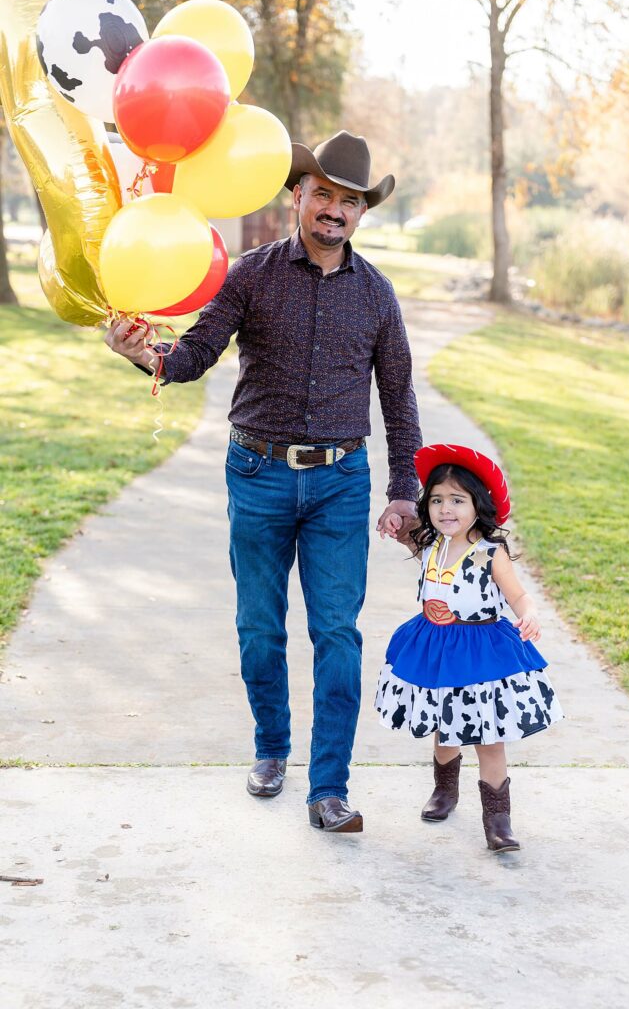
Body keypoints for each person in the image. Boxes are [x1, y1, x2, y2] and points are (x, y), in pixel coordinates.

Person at [104, 131, 422, 834]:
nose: (334, 211)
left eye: (349, 202)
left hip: (341, 481)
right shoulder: (249, 274)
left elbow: (398, 399)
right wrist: (144, 355)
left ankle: (329, 787)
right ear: (297, 196)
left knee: (337, 632)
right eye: (323, 196)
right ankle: (271, 750)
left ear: (362, 214)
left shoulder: (376, 295)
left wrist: (404, 491)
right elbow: (192, 356)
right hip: (257, 475)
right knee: (258, 627)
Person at [374, 443, 563, 851]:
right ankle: (445, 791)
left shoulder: (488, 554)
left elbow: (518, 596)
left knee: (488, 734)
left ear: (479, 505)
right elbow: (403, 532)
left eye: (457, 500)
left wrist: (530, 614)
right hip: (435, 646)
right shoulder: (430, 545)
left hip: (481, 651)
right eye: (438, 500)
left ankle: (498, 819)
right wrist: (394, 520)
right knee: (446, 724)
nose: (446, 509)